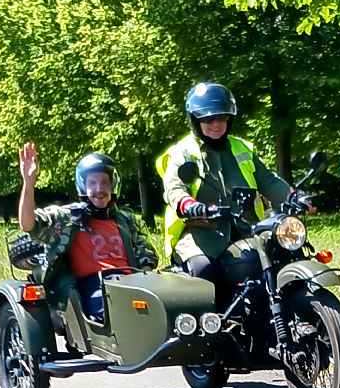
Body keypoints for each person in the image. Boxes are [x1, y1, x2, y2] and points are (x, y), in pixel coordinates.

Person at [156, 82, 313, 289]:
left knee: (283, 254)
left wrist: (294, 196)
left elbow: (269, 181)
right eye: (208, 119)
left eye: (222, 118)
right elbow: (174, 189)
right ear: (195, 120)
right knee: (203, 269)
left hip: (248, 228)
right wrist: (190, 205)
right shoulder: (183, 152)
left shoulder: (241, 148)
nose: (216, 124)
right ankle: (210, 321)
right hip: (201, 233)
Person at [18, 142, 159, 322]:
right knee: (118, 314)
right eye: (92, 183)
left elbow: (146, 252)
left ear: (113, 185)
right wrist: (28, 183)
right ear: (83, 186)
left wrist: (146, 277)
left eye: (104, 183)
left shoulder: (124, 219)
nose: (99, 189)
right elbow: (28, 224)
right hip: (94, 285)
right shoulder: (68, 217)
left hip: (130, 282)